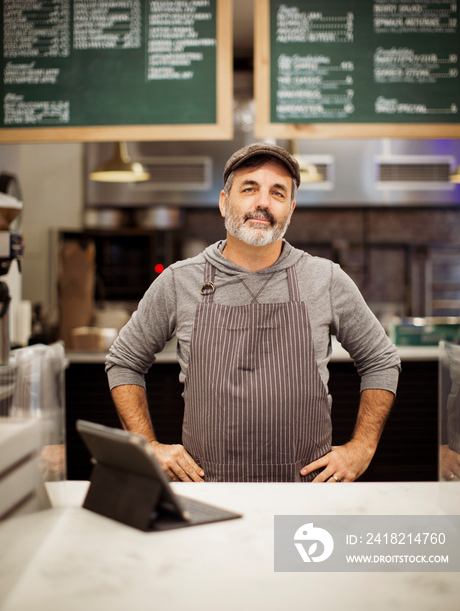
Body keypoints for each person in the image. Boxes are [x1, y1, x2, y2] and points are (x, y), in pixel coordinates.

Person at [106, 142, 401, 483]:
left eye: (277, 193)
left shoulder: (326, 279)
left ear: (290, 209)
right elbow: (124, 361)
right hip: (209, 490)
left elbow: (381, 360)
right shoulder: (179, 280)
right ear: (223, 202)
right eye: (250, 189)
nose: (263, 202)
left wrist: (361, 448)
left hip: (306, 492)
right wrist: (148, 447)